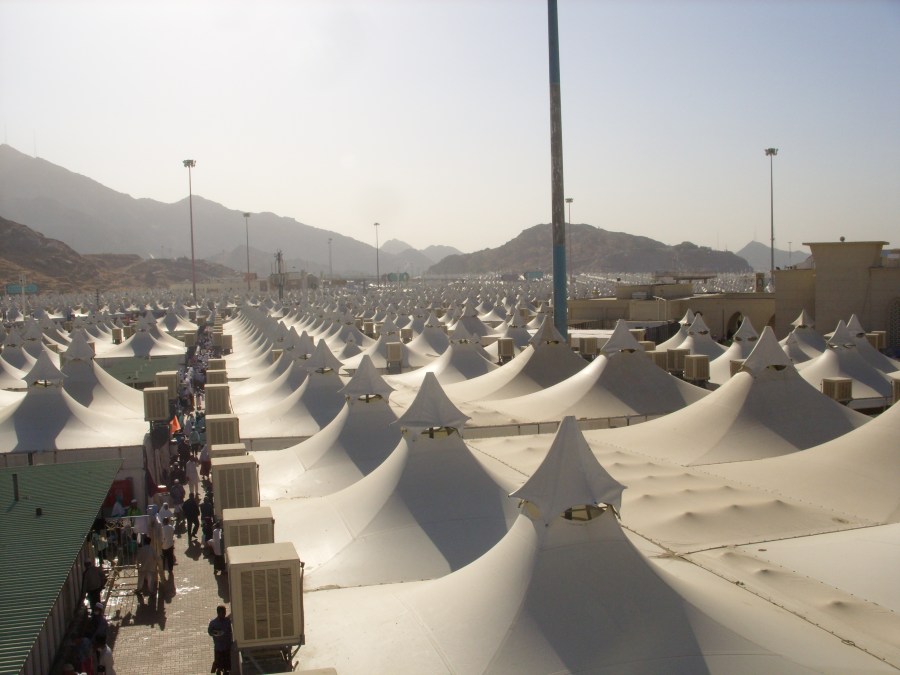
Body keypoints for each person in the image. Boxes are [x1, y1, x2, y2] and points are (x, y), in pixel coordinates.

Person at [207, 605, 233, 675]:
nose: (224, 614)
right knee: (218, 665)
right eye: (222, 613)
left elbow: (230, 631)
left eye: (225, 612)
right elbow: (210, 632)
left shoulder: (227, 621)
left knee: (226, 667)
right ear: (218, 613)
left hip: (227, 647)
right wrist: (217, 633)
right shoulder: (213, 623)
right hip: (219, 647)